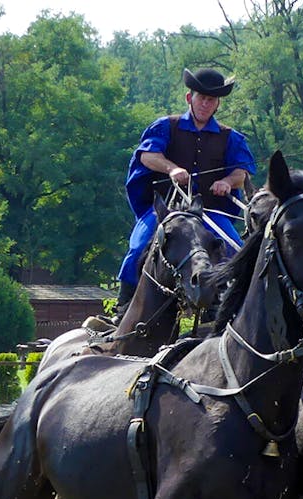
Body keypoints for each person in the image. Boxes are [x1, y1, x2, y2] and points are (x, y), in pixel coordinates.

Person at [110, 67, 256, 321]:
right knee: (138, 248)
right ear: (190, 98)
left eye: (211, 100)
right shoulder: (166, 126)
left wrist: (227, 181)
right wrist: (172, 168)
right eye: (202, 98)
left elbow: (242, 172)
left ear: (217, 104)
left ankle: (225, 311)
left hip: (209, 212)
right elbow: (147, 156)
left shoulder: (231, 137)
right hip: (166, 211)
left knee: (236, 249)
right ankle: (123, 309)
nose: (206, 104)